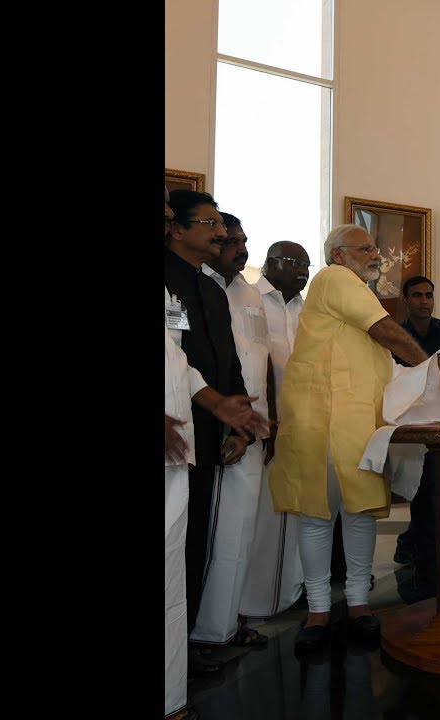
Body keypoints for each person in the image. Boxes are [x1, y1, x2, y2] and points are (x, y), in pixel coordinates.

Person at [269, 224, 429, 652]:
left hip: (355, 420)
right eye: (365, 248)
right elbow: (386, 332)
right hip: (320, 418)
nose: (375, 254)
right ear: (338, 255)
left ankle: (358, 603)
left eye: (375, 247)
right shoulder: (336, 279)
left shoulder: (353, 286)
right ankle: (320, 609)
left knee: (359, 512)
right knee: (317, 514)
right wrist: (433, 369)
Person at [166, 186, 268, 719]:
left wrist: (240, 427)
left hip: (209, 432)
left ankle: (183, 652)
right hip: (175, 427)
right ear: (177, 230)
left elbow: (224, 364)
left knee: (193, 543)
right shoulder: (166, 279)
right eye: (207, 223)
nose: (220, 232)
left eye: (219, 223)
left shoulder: (210, 289)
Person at [190, 213, 272, 649]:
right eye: (230, 240)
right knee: (206, 534)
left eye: (243, 240)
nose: (240, 249)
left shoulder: (249, 291)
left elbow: (259, 361)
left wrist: (259, 425)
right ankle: (200, 632)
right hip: (207, 427)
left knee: (240, 531)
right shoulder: (192, 285)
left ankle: (224, 623)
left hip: (249, 429)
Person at [239, 241, 311, 619]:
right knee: (262, 514)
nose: (302, 270)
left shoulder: (307, 308)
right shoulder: (250, 298)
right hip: (262, 424)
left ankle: (290, 588)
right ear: (270, 264)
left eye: (306, 264)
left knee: (296, 512)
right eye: (294, 263)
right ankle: (253, 597)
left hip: (303, 424)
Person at [389, 276, 440, 603]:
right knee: (420, 498)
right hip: (411, 428)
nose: (424, 301)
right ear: (406, 299)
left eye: (429, 295)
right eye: (417, 295)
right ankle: (422, 569)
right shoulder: (395, 337)